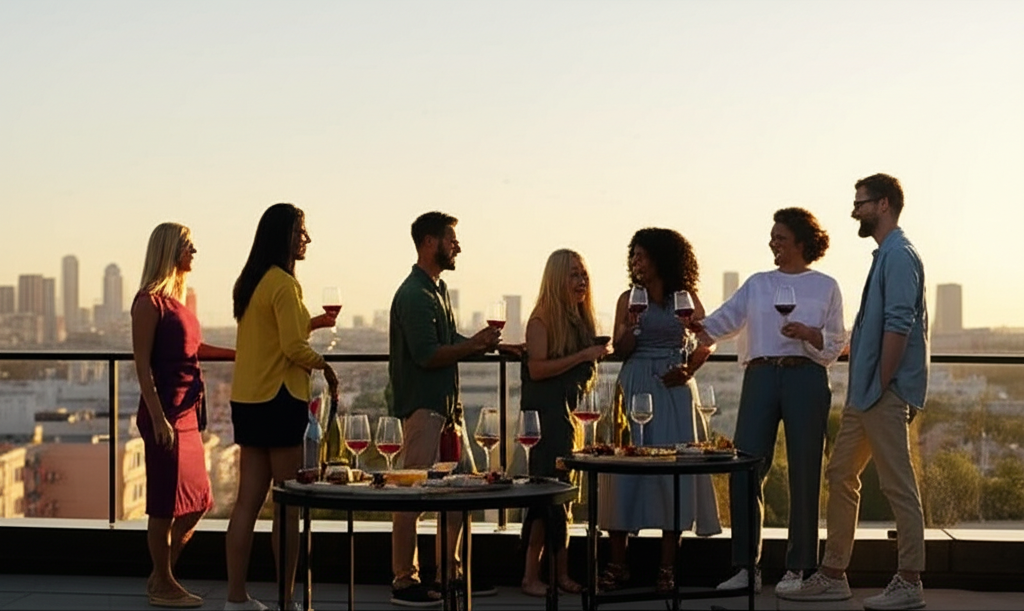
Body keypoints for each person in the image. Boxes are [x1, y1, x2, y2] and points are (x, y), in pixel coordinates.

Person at [779, 174, 929, 610]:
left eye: (861, 203)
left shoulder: (899, 255)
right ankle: (833, 574)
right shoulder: (885, 255)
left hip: (882, 392)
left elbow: (899, 325)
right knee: (840, 473)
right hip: (864, 394)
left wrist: (880, 383)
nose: (854, 210)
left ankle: (910, 581)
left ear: (883, 204)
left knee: (898, 485)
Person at [691, 208, 846, 595]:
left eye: (780, 237)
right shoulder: (758, 283)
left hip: (806, 377)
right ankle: (747, 568)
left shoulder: (826, 286)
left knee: (805, 473)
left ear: (801, 242)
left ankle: (799, 568)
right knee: (745, 467)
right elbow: (724, 320)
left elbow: (834, 344)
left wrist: (810, 334)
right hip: (760, 376)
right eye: (772, 236)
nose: (772, 243)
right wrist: (696, 326)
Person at [386, 211, 517, 607]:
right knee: (412, 496)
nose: (457, 246)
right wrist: (475, 344)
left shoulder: (436, 290)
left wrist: (491, 346)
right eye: (451, 239)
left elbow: (447, 340)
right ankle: (404, 581)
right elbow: (427, 354)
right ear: (430, 242)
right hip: (425, 410)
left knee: (460, 492)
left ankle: (450, 575)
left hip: (446, 414)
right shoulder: (415, 294)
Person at [224, 203, 340, 611]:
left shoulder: (252, 281)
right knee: (287, 508)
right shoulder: (286, 285)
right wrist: (325, 366)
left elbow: (276, 334)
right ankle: (287, 601)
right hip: (280, 399)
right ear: (284, 237)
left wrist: (312, 323)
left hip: (249, 400)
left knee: (246, 504)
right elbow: (292, 347)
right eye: (300, 232)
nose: (306, 239)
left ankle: (235, 598)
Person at [596, 227, 721, 593]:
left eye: (642, 255)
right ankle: (618, 564)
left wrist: (690, 369)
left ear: (662, 258)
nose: (636, 262)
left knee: (673, 471)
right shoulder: (628, 298)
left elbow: (708, 339)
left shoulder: (685, 298)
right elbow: (620, 350)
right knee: (624, 471)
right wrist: (630, 327)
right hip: (635, 383)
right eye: (633, 256)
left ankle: (667, 567)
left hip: (675, 388)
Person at [131, 222, 235, 609]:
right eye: (188, 245)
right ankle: (163, 581)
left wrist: (239, 354)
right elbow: (142, 365)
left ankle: (162, 575)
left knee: (198, 501)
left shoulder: (177, 303)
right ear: (169, 250)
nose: (194, 251)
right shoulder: (148, 303)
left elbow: (195, 348)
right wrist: (159, 417)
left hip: (188, 413)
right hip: (167, 414)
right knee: (164, 504)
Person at [519, 249, 613, 597]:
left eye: (584, 274)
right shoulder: (541, 320)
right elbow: (536, 369)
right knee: (545, 499)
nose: (581, 280)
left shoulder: (577, 321)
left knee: (563, 500)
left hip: (567, 422)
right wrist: (584, 355)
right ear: (557, 278)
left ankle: (560, 573)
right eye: (574, 274)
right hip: (546, 424)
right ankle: (532, 576)